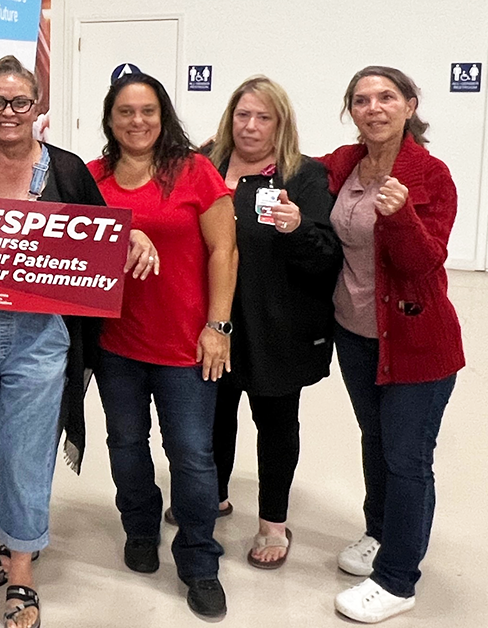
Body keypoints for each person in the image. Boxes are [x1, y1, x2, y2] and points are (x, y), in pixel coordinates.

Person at [0, 56, 157, 628]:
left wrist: (137, 235)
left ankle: (22, 564)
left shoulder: (69, 171)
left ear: (36, 108)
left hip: (43, 337)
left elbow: (103, 236)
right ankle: (11, 537)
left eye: (20, 103)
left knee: (27, 450)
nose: (8, 113)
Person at [87, 72, 237, 618]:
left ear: (163, 114)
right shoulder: (92, 177)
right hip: (116, 344)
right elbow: (72, 244)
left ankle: (199, 560)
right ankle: (140, 530)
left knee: (193, 458)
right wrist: (127, 231)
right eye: (125, 112)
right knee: (126, 445)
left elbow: (225, 252)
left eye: (147, 111)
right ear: (110, 119)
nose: (137, 121)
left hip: (185, 346)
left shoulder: (194, 172)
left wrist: (217, 327)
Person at [318, 66, 463, 624]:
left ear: (409, 105)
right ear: (350, 110)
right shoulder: (347, 163)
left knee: (407, 459)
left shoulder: (430, 175)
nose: (373, 107)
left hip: (416, 340)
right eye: (360, 99)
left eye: (385, 97)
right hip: (356, 336)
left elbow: (425, 262)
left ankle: (399, 577)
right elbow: (293, 166)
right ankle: (379, 532)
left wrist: (400, 215)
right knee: (375, 441)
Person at [191, 76, 342, 569]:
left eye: (263, 117)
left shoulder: (304, 177)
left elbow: (325, 259)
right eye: (242, 115)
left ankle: (273, 521)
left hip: (277, 327)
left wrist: (298, 228)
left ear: (281, 124)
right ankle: (213, 495)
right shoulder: (205, 167)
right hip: (215, 319)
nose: (251, 126)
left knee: (275, 422)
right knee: (214, 415)